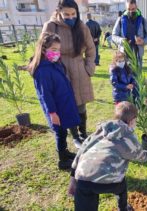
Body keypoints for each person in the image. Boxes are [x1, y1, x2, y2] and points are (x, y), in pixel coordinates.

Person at [67, 101, 147, 211]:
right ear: (132, 121)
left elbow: (81, 151)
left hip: (83, 178)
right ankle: (123, 208)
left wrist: (73, 179)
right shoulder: (128, 138)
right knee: (121, 187)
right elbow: (142, 157)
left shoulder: (99, 130)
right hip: (109, 182)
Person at [42, 0, 96, 149]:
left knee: (81, 105)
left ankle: (83, 132)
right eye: (66, 14)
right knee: (68, 105)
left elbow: (91, 49)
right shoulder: (51, 26)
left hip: (80, 70)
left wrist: (89, 67)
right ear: (59, 12)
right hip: (60, 70)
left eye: (73, 14)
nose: (70, 17)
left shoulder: (82, 26)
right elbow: (42, 48)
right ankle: (75, 136)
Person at [28, 32, 80, 170]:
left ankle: (64, 152)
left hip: (63, 104)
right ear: (44, 49)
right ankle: (62, 161)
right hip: (56, 108)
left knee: (63, 130)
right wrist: (52, 113)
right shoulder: (42, 71)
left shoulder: (55, 64)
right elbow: (45, 95)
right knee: (60, 132)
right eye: (54, 50)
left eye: (58, 49)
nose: (57, 53)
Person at [112, 0, 147, 68]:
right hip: (123, 56)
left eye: (133, 9)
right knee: (123, 78)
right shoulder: (120, 20)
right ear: (126, 8)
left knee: (136, 78)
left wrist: (143, 41)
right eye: (129, 9)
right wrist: (121, 40)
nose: (131, 11)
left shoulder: (143, 20)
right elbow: (113, 36)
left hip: (137, 56)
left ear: (136, 7)